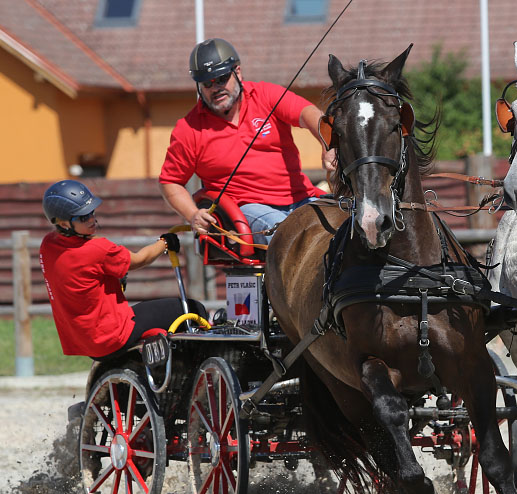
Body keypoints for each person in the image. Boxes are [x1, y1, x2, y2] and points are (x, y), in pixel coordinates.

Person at [159, 38, 336, 245]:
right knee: (291, 235)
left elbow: (309, 114)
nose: (215, 88)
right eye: (207, 83)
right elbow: (170, 181)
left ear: (238, 72)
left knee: (348, 225)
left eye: (222, 78)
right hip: (247, 209)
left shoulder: (266, 95)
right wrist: (192, 214)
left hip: (303, 198)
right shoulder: (189, 129)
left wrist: (328, 145)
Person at [39, 180, 207, 360]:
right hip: (113, 336)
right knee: (193, 309)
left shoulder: (48, 245)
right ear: (64, 224)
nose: (91, 219)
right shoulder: (97, 249)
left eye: (91, 212)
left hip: (84, 341)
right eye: (82, 217)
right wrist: (165, 242)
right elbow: (139, 259)